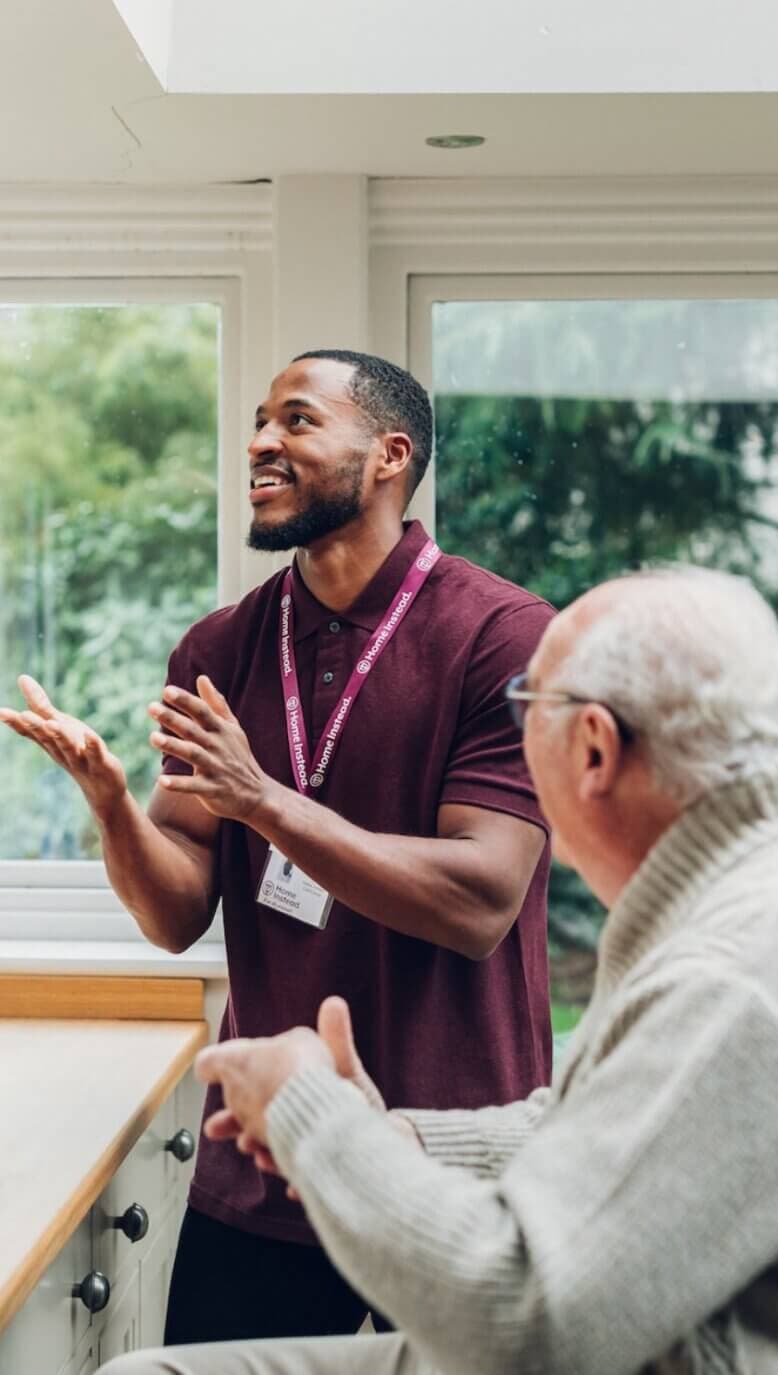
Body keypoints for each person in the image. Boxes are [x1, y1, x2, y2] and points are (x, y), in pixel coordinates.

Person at [100, 566, 778, 1375]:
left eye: (530, 706)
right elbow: (639, 1127)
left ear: (596, 749)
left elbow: (522, 1327)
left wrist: (312, 1114)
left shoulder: (745, 969)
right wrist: (412, 1141)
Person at [0, 350, 555, 1343]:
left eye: (297, 421)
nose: (261, 441)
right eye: (259, 421)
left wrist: (263, 799)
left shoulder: (503, 635)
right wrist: (116, 809)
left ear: (388, 455)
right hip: (260, 1172)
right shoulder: (220, 648)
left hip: (448, 1172)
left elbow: (480, 902)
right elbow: (175, 915)